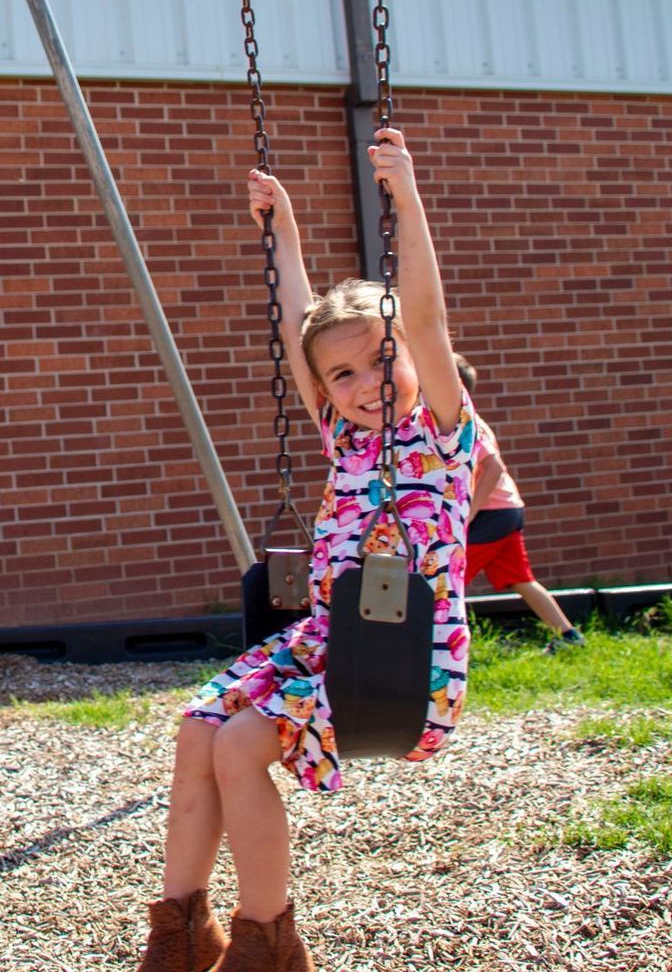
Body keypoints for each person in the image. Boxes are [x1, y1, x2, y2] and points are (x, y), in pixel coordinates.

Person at [135, 128, 476, 972]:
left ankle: (268, 941)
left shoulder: (440, 434)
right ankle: (180, 934)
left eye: (379, 363)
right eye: (343, 378)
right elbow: (299, 328)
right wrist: (282, 228)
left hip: (405, 657)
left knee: (243, 746)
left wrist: (406, 197)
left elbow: (424, 317)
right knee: (199, 728)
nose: (364, 388)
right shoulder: (341, 439)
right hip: (323, 640)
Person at [454, 354, 585, 654]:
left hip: (491, 513)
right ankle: (569, 637)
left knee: (448, 581)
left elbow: (495, 468)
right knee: (521, 579)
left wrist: (470, 512)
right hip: (506, 510)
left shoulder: (467, 422)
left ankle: (441, 648)